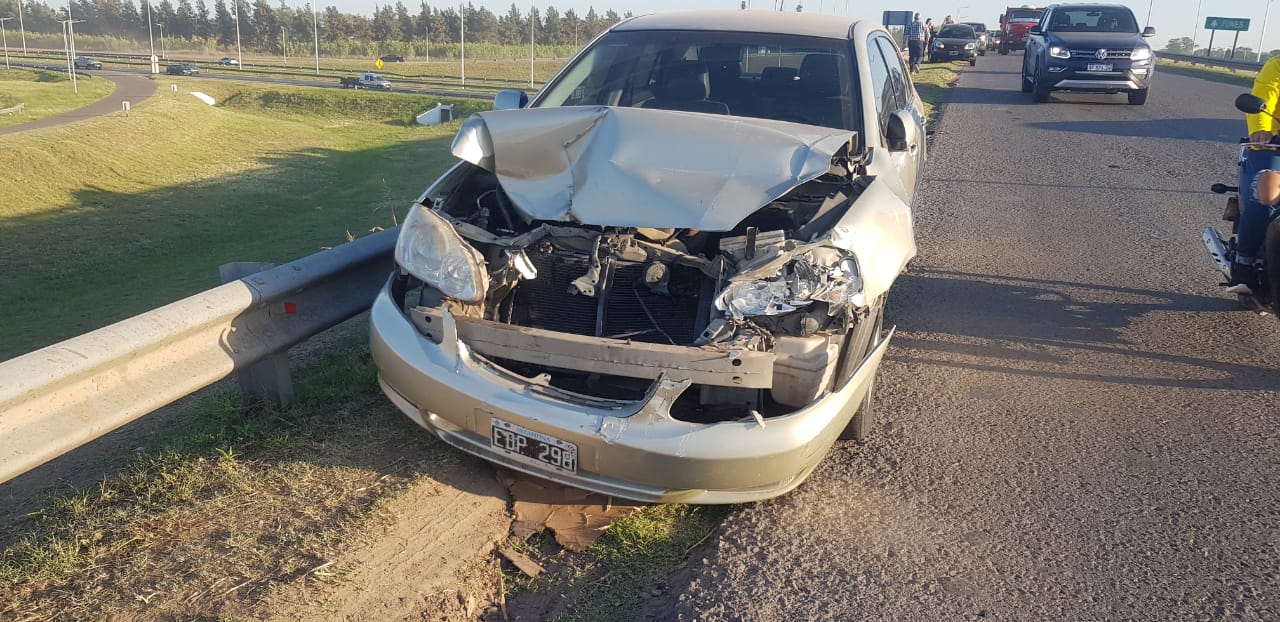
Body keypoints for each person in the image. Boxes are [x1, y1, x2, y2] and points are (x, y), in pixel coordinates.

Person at [1235, 55, 1280, 292]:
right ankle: (1245, 264)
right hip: (1273, 144)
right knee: (1267, 195)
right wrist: (1262, 130)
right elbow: (1263, 99)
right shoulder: (1277, 65)